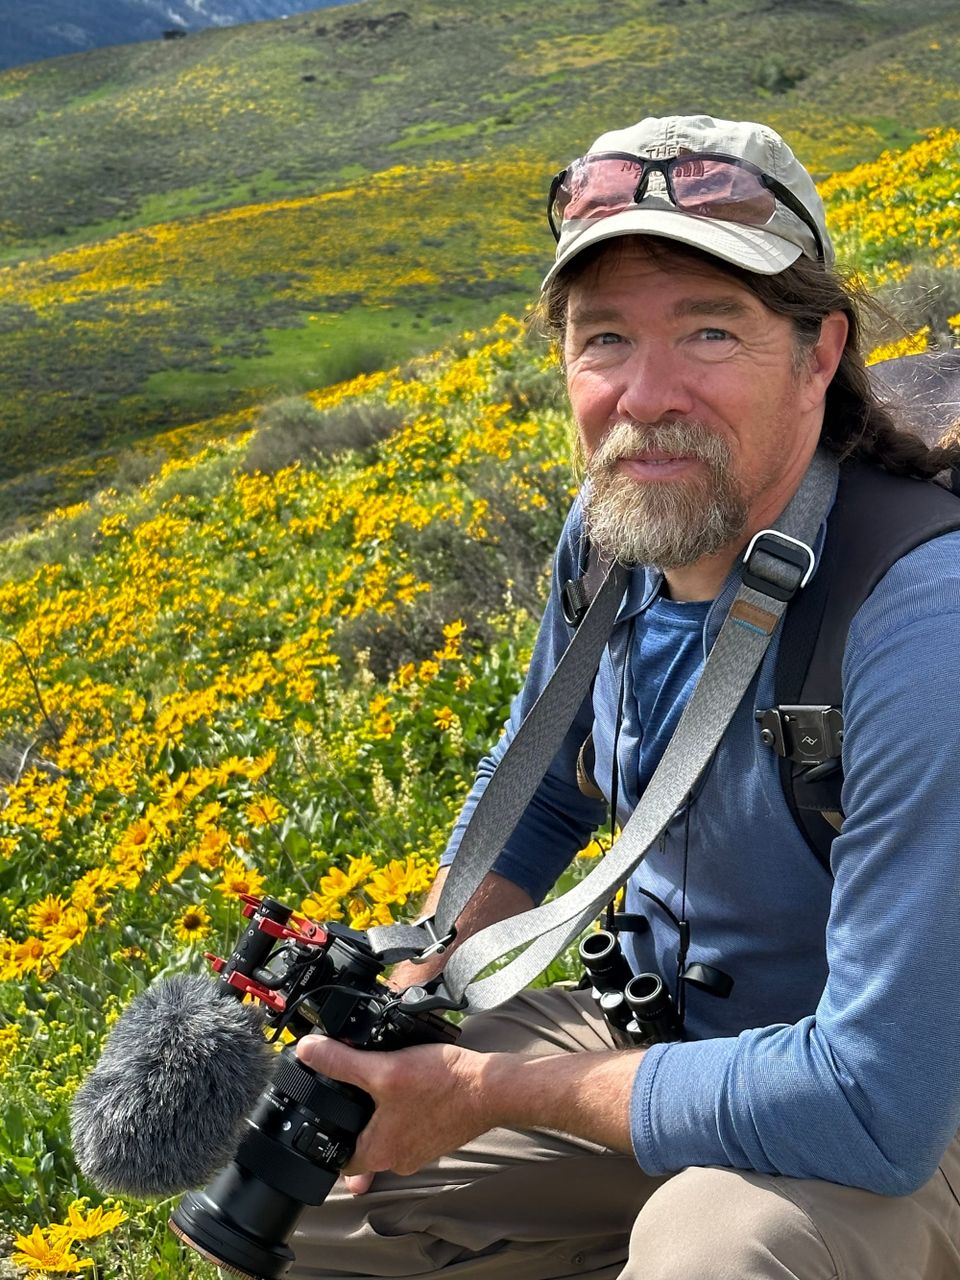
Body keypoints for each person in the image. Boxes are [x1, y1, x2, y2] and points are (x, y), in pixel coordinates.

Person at [291, 115, 960, 1279]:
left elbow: (876, 1101)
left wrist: (488, 1086)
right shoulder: (616, 536)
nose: (647, 396)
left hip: (906, 1097)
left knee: (718, 1247)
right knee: (311, 1178)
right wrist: (422, 972)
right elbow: (543, 793)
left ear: (818, 352)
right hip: (668, 1035)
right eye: (604, 339)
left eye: (709, 331)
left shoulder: (919, 623)